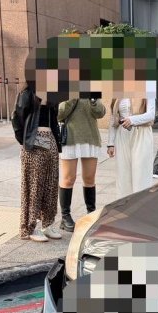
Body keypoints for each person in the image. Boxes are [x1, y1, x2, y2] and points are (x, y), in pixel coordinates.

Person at [12, 81, 62, 241]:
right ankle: (29, 227)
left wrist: (57, 142)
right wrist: (25, 142)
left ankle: (47, 224)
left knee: (51, 185)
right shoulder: (27, 94)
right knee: (34, 186)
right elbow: (17, 119)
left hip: (50, 141)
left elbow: (54, 121)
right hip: (34, 143)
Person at [57, 96, 106, 232]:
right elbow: (59, 114)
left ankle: (91, 214)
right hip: (70, 138)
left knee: (89, 178)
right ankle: (65, 217)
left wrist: (93, 100)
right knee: (68, 179)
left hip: (90, 137)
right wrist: (72, 98)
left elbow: (100, 113)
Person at [107, 93, 155, 197]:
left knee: (141, 173)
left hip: (141, 133)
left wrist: (132, 120)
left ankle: (141, 207)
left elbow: (151, 114)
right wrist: (110, 143)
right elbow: (113, 117)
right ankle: (125, 208)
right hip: (122, 135)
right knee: (123, 175)